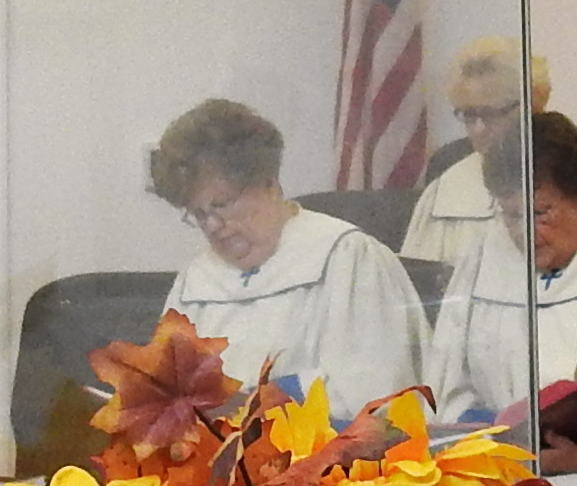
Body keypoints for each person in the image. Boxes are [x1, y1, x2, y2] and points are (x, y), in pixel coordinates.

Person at [152, 98, 426, 403]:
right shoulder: (197, 281)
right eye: (199, 214)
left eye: (222, 204)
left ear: (269, 182)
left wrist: (268, 399)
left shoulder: (347, 257)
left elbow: (376, 387)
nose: (213, 226)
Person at [421, 113, 577, 431]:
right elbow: (447, 388)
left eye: (539, 212)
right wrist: (495, 438)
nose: (524, 231)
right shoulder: (484, 256)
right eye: (512, 214)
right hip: (499, 460)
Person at [399, 40, 547, 265]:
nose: (479, 128)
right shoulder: (445, 190)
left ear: (532, 107)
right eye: (469, 115)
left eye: (492, 113)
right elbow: (418, 284)